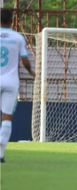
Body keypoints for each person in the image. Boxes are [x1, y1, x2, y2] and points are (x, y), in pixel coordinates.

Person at [0, 9, 35, 163]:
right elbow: (25, 60)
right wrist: (31, 72)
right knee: (7, 117)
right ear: (12, 20)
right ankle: (0, 154)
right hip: (11, 81)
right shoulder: (17, 37)